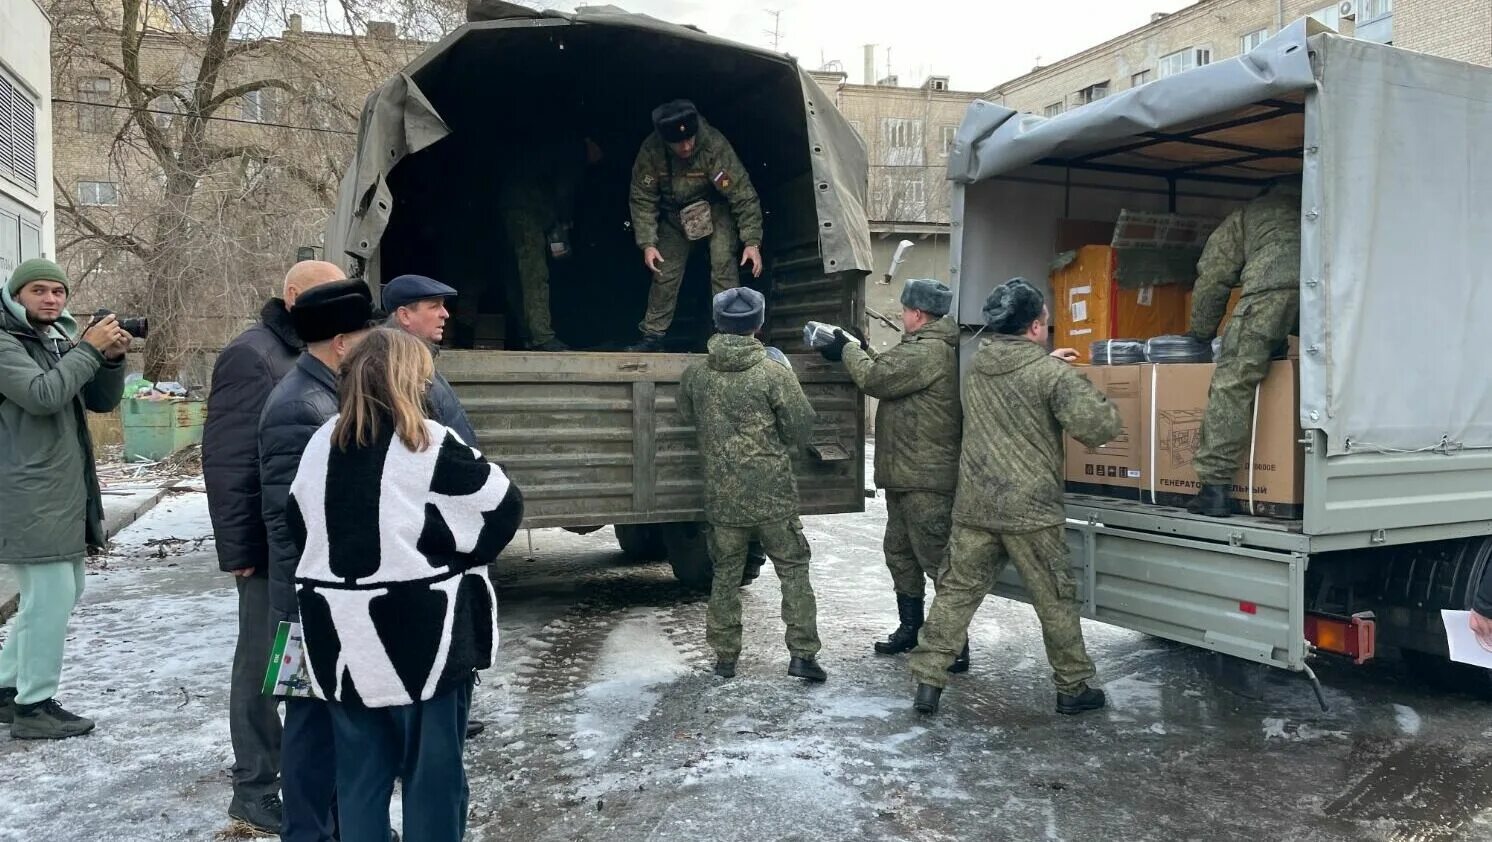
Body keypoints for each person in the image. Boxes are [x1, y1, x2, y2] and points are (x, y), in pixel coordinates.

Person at [287, 328, 523, 842]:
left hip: (341, 642)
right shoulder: (431, 443)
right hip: (425, 643)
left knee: (359, 779)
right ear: (412, 379)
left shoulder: (318, 446)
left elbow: (299, 525)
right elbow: (503, 509)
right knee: (433, 780)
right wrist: (445, 548)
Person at [908, 279, 1122, 716]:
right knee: (1055, 599)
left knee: (956, 593)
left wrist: (1049, 368)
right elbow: (1099, 428)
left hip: (976, 503)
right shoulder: (1048, 374)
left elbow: (1019, 379)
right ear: (1037, 327)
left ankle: (928, 682)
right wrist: (1066, 376)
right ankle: (1073, 687)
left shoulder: (977, 366)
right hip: (1031, 510)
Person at [203, 259, 343, 832]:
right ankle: (255, 784)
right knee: (264, 664)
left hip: (310, 545)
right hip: (266, 546)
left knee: (303, 667)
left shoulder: (313, 352)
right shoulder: (252, 354)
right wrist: (239, 547)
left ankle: (301, 773)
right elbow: (229, 459)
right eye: (322, 295)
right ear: (291, 297)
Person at [259, 278, 380, 842]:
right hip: (310, 599)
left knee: (330, 724)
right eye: (364, 336)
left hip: (324, 592)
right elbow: (293, 522)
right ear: (339, 343)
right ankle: (307, 833)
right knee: (309, 726)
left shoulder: (321, 392)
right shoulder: (302, 407)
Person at [0, 258, 128, 740]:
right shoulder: (5, 342)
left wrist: (109, 358)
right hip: (27, 491)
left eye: (59, 292)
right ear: (17, 295)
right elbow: (42, 395)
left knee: (59, 593)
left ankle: (7, 687)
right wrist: (87, 350)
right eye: (39, 290)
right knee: (49, 598)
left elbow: (98, 401)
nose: (51, 300)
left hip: (59, 490)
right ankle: (34, 706)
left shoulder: (50, 341)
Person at [677, 287, 825, 681]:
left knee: (725, 575)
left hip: (723, 500)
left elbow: (684, 410)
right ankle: (803, 657)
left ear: (717, 323)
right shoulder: (773, 373)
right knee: (793, 570)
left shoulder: (697, 375)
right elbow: (802, 427)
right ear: (758, 326)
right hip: (773, 498)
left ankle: (725, 659)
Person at [821, 279, 964, 666]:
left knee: (936, 560)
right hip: (906, 475)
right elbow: (887, 369)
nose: (902, 316)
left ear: (917, 314)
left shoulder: (929, 351)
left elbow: (876, 379)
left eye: (904, 310)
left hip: (926, 479)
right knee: (900, 553)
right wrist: (859, 348)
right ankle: (911, 629)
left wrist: (849, 351)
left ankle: (953, 645)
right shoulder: (919, 349)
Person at [1184, 176, 1302, 517]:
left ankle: (1215, 490)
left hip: (1269, 293)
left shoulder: (1248, 215)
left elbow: (1213, 276)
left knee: (1233, 382)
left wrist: (1201, 333)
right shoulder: (1320, 206)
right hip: (1327, 293)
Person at [627, 100, 763, 352]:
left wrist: (751, 242)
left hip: (715, 210)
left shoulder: (713, 146)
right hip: (674, 217)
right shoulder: (652, 152)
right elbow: (642, 198)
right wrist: (648, 243)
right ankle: (653, 335)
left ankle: (730, 334)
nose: (687, 146)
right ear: (665, 139)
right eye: (679, 142)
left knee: (723, 264)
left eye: (690, 138)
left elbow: (742, 193)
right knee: (664, 272)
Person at [497, 133, 603, 351]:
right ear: (592, 144)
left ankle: (527, 334)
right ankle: (542, 336)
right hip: (528, 212)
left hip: (515, 208)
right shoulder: (574, 153)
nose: (598, 159)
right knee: (534, 272)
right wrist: (564, 223)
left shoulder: (557, 148)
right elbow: (564, 190)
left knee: (518, 273)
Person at [382, 274, 478, 444]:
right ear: (404, 316)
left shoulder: (420, 363)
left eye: (443, 306)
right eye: (434, 307)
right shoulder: (397, 372)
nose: (445, 314)